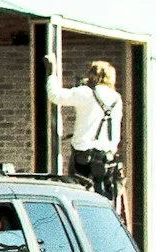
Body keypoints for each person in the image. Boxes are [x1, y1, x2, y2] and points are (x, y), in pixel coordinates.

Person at [47, 58, 124, 203]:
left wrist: (51, 73)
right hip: (107, 157)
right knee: (105, 198)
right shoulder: (116, 98)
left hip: (84, 155)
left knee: (78, 196)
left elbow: (55, 95)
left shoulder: (86, 93)